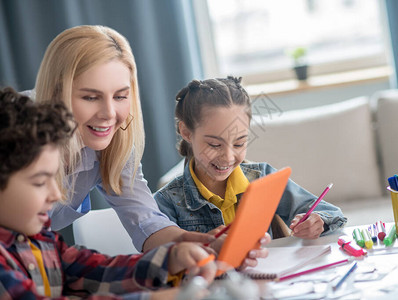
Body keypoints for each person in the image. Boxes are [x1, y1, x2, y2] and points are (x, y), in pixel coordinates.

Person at [32, 25, 267, 267]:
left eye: (120, 96)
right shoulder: (16, 132)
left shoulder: (113, 143)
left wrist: (195, 244)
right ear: (56, 92)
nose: (109, 113)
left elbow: (145, 220)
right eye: (91, 97)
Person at [0, 87, 216, 299]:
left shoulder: (40, 240)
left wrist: (169, 260)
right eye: (40, 182)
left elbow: (94, 271)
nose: (57, 194)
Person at [154, 77, 347, 239]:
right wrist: (201, 246)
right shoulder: (167, 202)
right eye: (214, 145)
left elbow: (333, 214)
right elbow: (159, 265)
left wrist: (317, 221)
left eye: (239, 144)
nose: (228, 157)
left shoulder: (263, 177)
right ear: (186, 132)